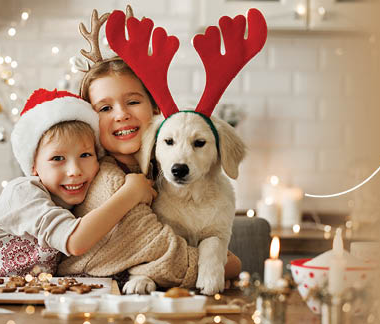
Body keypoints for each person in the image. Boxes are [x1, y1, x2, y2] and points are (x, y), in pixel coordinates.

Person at [56, 56, 242, 294]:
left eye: (132, 102)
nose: (121, 114)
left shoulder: (157, 174)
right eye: (105, 108)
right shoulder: (109, 182)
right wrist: (229, 265)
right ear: (91, 120)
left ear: (155, 109)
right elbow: (164, 253)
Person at [0, 89, 156, 277]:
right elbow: (75, 241)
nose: (74, 171)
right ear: (34, 167)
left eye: (85, 155)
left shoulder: (76, 204)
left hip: (10, 295)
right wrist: (131, 193)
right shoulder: (23, 193)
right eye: (57, 159)